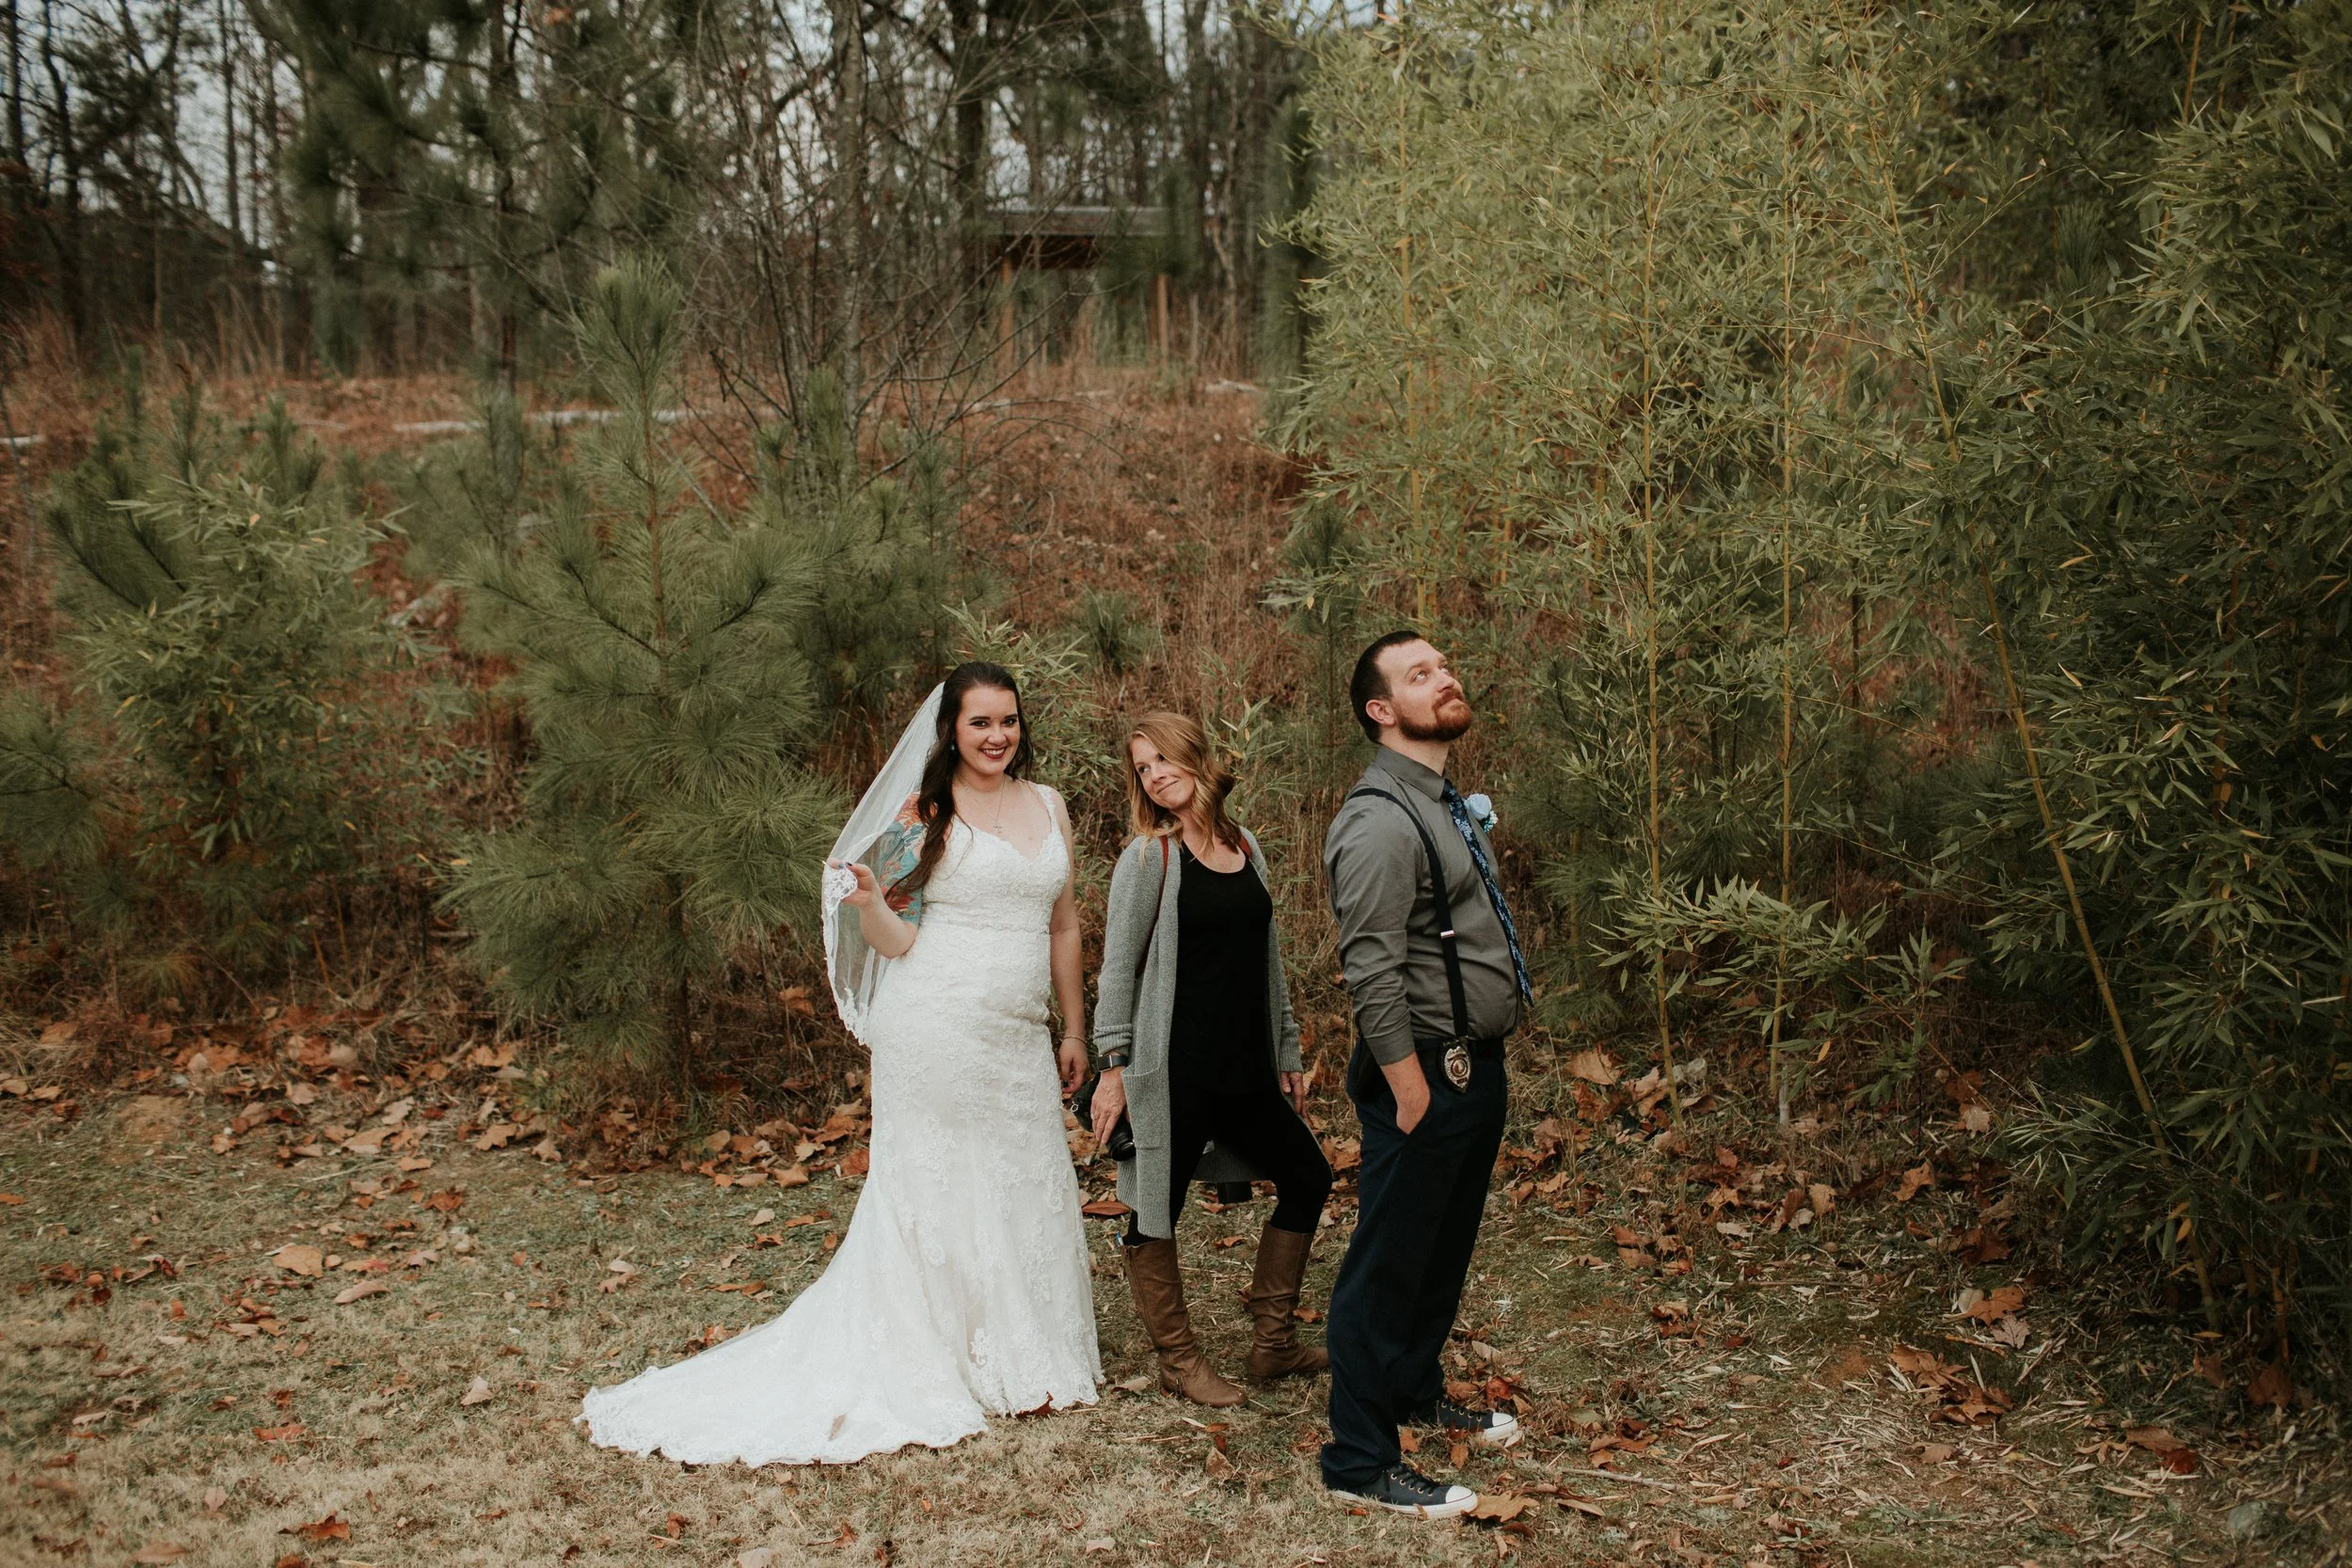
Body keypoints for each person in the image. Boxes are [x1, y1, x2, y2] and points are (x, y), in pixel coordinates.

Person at [578, 663, 1099, 1465]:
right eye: (980, 723)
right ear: (950, 732)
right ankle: (941, 1355)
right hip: (935, 1021)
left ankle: (1022, 1355)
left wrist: (1074, 1027)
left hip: (1018, 1031)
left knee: (1022, 1169)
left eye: (1009, 721)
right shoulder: (924, 812)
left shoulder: (1050, 806)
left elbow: (1063, 925)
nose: (997, 736)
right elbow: (898, 939)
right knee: (939, 1180)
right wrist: (868, 906)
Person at [1319, 631, 1531, 1519]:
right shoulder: (1376, 819)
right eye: (1420, 675)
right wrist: (1410, 1086)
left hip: (1472, 1064)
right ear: (1380, 710)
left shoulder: (1439, 800)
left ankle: (1413, 1389)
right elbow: (1369, 967)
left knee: (1440, 1249)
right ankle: (1361, 1457)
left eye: (1444, 665)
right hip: (1425, 1072)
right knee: (1388, 1264)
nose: (1446, 678)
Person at [1089, 713, 1332, 1405]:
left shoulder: (1243, 844)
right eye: (1142, 766)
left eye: (1164, 758)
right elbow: (1119, 972)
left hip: (1246, 1069)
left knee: (1309, 1176)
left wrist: (1285, 1047)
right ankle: (1179, 1358)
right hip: (1173, 1072)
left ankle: (1273, 1344)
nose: (1156, 773)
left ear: (1197, 757)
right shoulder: (1148, 858)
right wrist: (1115, 1067)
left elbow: (1270, 960)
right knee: (1153, 1211)